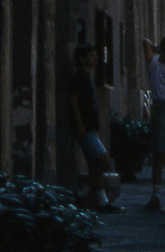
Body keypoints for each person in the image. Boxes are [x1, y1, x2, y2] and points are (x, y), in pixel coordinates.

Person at [68, 45, 122, 213]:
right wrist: (80, 125)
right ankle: (82, 192)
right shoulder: (80, 77)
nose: (96, 58)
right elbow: (73, 100)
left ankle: (101, 201)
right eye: (91, 55)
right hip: (86, 128)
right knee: (103, 160)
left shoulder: (86, 77)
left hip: (90, 127)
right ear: (82, 58)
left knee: (95, 164)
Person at [141, 35, 165, 212]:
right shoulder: (154, 63)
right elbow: (145, 42)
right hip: (160, 106)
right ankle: (155, 194)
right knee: (159, 151)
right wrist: (158, 49)